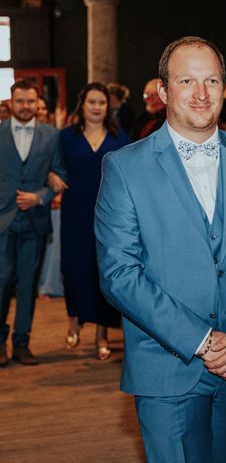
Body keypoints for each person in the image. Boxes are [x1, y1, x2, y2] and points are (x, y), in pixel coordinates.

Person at [94, 36, 226, 462]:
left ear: (225, 89)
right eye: (187, 80)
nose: (201, 93)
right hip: (166, 366)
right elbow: (119, 274)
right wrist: (203, 341)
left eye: (212, 80)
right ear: (164, 90)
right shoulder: (125, 167)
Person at [60, 82, 130, 359]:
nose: (97, 107)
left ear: (108, 107)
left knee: (104, 271)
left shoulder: (119, 138)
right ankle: (74, 320)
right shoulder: (66, 137)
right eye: (92, 102)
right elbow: (55, 166)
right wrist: (53, 176)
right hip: (75, 211)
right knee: (74, 269)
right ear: (82, 105)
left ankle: (102, 334)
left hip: (109, 213)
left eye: (102, 102)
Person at [0, 79, 66, 366]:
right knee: (1, 283)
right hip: (2, 221)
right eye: (20, 101)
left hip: (35, 222)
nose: (25, 107)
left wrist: (40, 196)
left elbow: (60, 175)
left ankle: (22, 342)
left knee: (27, 284)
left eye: (30, 101)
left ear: (37, 103)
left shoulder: (52, 136)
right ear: (11, 103)